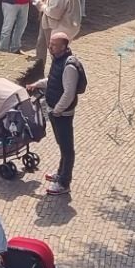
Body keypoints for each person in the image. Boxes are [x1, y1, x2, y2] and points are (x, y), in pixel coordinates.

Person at [27, 31, 84, 197]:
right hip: (56, 112)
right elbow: (52, 81)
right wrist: (36, 84)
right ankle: (60, 173)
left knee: (67, 148)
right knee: (62, 146)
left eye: (53, 45)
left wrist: (57, 110)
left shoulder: (69, 67)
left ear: (64, 47)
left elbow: (69, 92)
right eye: (50, 44)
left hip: (62, 114)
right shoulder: (57, 61)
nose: (49, 47)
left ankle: (64, 182)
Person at [32, 0, 80, 73]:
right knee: (48, 48)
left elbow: (54, 13)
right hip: (65, 26)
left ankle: (57, 78)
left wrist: (41, 5)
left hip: (58, 27)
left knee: (56, 54)